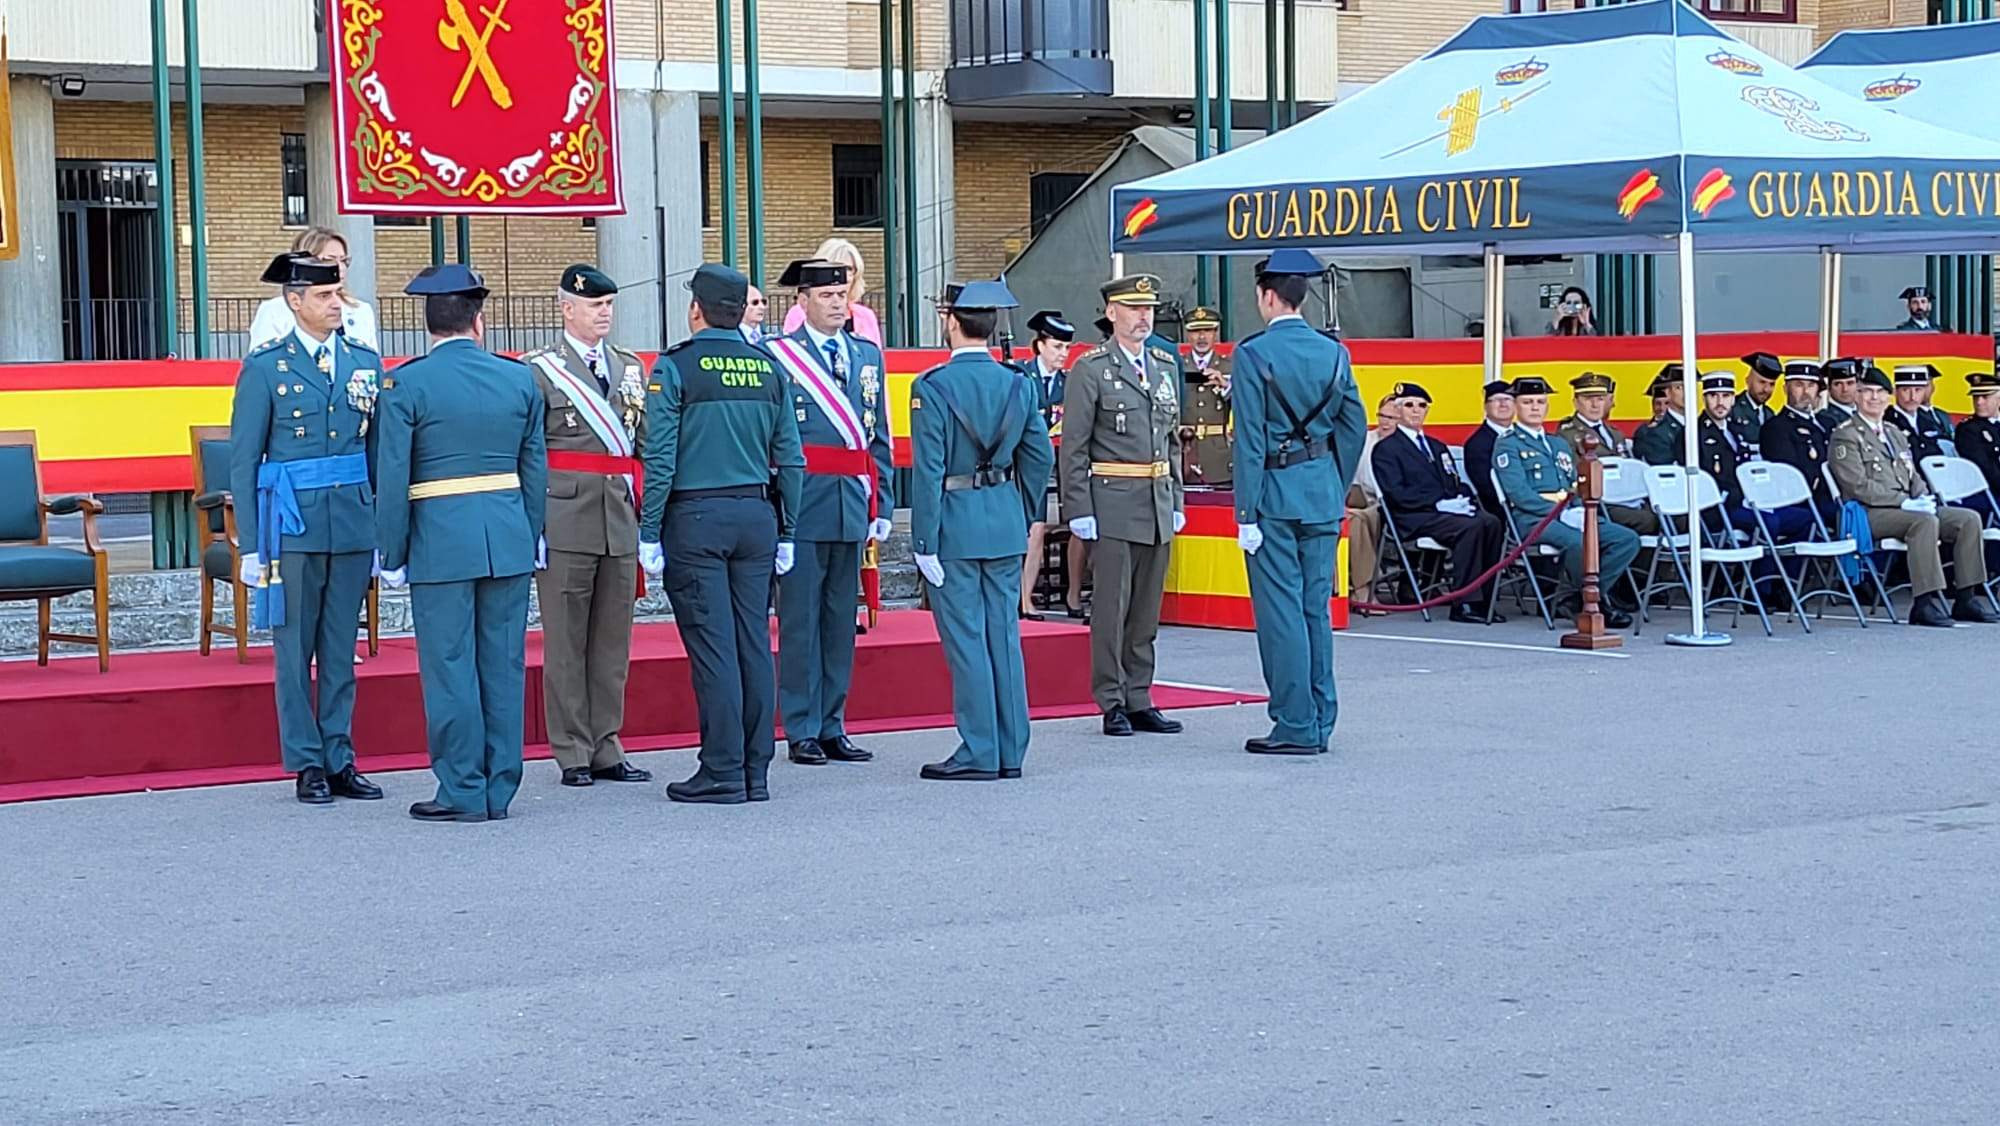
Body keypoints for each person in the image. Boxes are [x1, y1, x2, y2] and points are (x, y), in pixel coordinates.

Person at [375, 264, 547, 822]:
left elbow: (392, 474)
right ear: (478, 319)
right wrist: (532, 532)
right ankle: (500, 787)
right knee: (503, 664)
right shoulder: (518, 378)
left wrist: (392, 551)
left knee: (450, 667)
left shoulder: (407, 382)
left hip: (440, 540)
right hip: (507, 535)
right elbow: (534, 468)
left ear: (427, 323)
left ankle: (462, 789)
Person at [637, 264, 806, 802]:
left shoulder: (677, 366)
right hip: (758, 517)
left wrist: (649, 529)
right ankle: (756, 771)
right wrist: (788, 529)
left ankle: (722, 769)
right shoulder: (768, 368)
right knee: (753, 642)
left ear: (696, 309)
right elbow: (792, 461)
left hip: (697, 518)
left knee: (713, 648)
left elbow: (660, 458)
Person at [229, 252, 383, 807]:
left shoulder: (365, 362)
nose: (336, 304)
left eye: (338, 294)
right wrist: (250, 543)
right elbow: (244, 460)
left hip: (350, 519)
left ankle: (340, 756)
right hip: (292, 525)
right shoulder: (267, 367)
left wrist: (381, 527)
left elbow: (377, 450)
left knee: (341, 647)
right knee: (294, 649)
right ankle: (306, 761)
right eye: (323, 296)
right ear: (294, 302)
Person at [907, 279, 1056, 780]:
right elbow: (1038, 455)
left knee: (967, 640)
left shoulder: (932, 386)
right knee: (1004, 637)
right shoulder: (1018, 382)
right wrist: (1024, 507)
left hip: (956, 522)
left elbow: (927, 472)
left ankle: (978, 748)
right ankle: (1011, 749)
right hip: (1003, 520)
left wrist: (923, 540)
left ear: (951, 323)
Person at [1231, 249, 1367, 754]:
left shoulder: (1252, 354)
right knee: (1315, 610)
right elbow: (1353, 425)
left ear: (1268, 295)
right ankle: (1320, 718)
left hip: (1272, 497)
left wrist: (1244, 512)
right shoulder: (1335, 352)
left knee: (1280, 614)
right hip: (1320, 494)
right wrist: (1332, 480)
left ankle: (1294, 723)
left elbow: (1248, 440)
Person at [520, 264, 650, 789]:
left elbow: (641, 445)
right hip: (565, 515)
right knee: (567, 640)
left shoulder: (630, 367)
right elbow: (529, 452)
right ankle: (571, 749)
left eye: (609, 305)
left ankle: (607, 744)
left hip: (618, 515)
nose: (604, 314)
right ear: (566, 308)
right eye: (594, 305)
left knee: (612, 642)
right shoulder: (539, 370)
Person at [763, 258, 895, 766]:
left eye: (843, 296)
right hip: (804, 500)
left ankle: (832, 723)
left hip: (850, 502)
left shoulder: (865, 355)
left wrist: (878, 500)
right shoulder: (781, 358)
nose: (838, 304)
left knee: (841, 619)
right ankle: (801, 727)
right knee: (800, 620)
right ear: (802, 302)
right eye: (826, 297)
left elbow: (876, 432)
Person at [1061, 273, 1186, 738]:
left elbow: (1170, 439)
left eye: (1149, 309)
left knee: (1146, 610)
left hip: (1155, 499)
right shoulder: (1091, 369)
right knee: (1112, 610)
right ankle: (1111, 699)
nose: (1143, 317)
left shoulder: (1162, 364)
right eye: (1133, 308)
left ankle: (1140, 695)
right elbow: (1073, 446)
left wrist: (1175, 497)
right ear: (1111, 313)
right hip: (1112, 500)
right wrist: (1079, 507)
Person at [1828, 367, 1995, 627]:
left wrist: (1923, 497)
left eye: (1880, 393)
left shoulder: (1894, 432)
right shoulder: (1845, 434)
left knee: (1967, 519)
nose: (1874, 398)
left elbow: (1912, 473)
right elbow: (1856, 486)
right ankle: (1925, 602)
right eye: (1867, 392)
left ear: (1888, 397)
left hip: (1908, 505)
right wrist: (1904, 502)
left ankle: (1966, 596)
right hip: (1870, 512)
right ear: (1857, 396)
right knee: (1924, 523)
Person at [1494, 376, 1640, 628]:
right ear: (1517, 407)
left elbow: (1575, 482)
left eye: (1540, 402)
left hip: (1571, 511)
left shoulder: (1558, 443)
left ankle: (1579, 598)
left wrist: (1577, 507)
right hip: (1534, 518)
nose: (1535, 407)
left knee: (1626, 539)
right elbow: (1518, 493)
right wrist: (1558, 512)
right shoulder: (1508, 444)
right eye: (1528, 402)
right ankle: (1591, 602)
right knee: (1578, 542)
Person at [1371, 381, 1504, 624]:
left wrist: (1461, 498)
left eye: (1421, 406)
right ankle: (1464, 603)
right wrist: (1437, 504)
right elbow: (1395, 493)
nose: (1415, 410)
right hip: (1412, 517)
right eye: (1408, 405)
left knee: (1491, 522)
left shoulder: (1436, 446)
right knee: (1470, 527)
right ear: (1398, 410)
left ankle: (1485, 599)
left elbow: (1452, 481)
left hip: (1444, 513)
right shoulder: (1386, 449)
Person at [1015, 309, 1073, 620]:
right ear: (1040, 346)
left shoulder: (1070, 383)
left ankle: (1027, 598)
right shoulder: (1021, 375)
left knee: (1037, 531)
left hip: (1056, 464)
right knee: (1023, 530)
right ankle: (1015, 597)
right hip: (1021, 466)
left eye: (1066, 348)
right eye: (1057, 347)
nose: (1063, 354)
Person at [248, 227, 379, 351]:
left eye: (344, 261)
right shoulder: (274, 311)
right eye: (329, 260)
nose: (340, 268)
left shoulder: (361, 311)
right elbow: (265, 367)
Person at [1756, 360, 1843, 527]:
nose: (1806, 392)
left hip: (1837, 494)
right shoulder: (1776, 427)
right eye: (1799, 385)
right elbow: (1789, 474)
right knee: (1851, 516)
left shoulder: (1828, 423)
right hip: (1808, 500)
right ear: (1785, 389)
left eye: (1811, 385)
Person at [780, 237, 883, 346]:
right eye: (838, 268)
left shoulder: (866, 316)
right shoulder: (799, 313)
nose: (844, 275)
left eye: (849, 269)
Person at [1346, 394, 1397, 611]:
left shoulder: (1407, 444)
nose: (1385, 422)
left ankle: (1363, 589)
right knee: (1356, 517)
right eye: (1381, 416)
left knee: (1358, 519)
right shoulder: (1365, 440)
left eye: (1392, 417)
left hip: (1391, 505)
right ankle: (1362, 588)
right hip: (1361, 498)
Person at [1180, 306, 1232, 487]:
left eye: (1207, 331)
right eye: (1195, 331)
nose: (1201, 337)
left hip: (1218, 457)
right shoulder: (1175, 366)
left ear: (1216, 334)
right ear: (1187, 335)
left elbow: (1245, 408)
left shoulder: (1229, 366)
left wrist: (1226, 387)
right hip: (1184, 453)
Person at [1696, 372, 1755, 522]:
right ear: (1704, 399)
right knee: (1770, 522)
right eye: (1713, 396)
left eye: (1726, 396)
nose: (1720, 402)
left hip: (1747, 499)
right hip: (1718, 507)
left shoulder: (1737, 429)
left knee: (1803, 518)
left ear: (1733, 399)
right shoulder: (1694, 433)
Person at [1461, 380, 1515, 514]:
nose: (1503, 404)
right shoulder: (1477, 444)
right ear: (1485, 407)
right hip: (1507, 511)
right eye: (1496, 400)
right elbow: (1488, 491)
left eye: (1507, 399)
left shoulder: (1523, 436)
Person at [1888, 364, 1955, 461]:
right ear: (1895, 392)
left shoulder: (1928, 420)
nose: (1912, 397)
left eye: (1918, 390)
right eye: (1906, 390)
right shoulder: (1887, 419)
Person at [1632, 364, 1690, 466]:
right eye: (1679, 388)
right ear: (1668, 393)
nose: (1686, 392)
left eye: (1690, 386)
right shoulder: (1657, 433)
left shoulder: (1701, 426)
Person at [1956, 373, 2000, 500]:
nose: (1979, 402)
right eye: (1975, 397)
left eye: (1985, 397)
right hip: (1988, 492)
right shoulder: (1968, 430)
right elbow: (1985, 469)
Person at [1732, 352, 1781, 449]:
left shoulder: (1770, 414)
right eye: (1762, 382)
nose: (1766, 389)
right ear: (1747, 381)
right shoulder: (1732, 408)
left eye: (1771, 384)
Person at [1818, 357, 1863, 432]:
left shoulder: (1866, 413)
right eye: (1838, 384)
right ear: (1829, 388)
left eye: (1850, 383)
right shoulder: (1824, 419)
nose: (1845, 389)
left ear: (1858, 385)